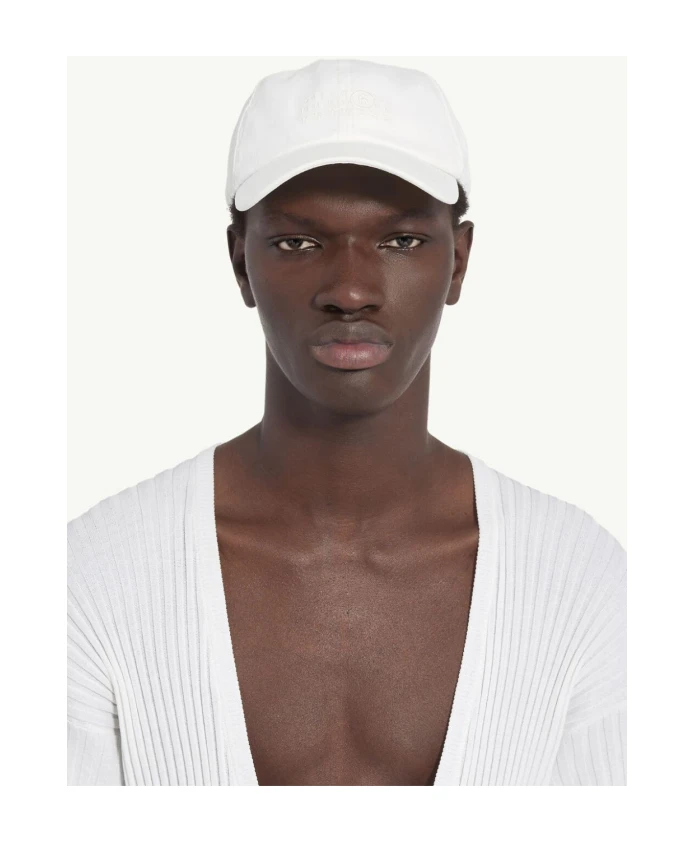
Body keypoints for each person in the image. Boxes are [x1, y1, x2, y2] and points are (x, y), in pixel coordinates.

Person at [67, 59, 626, 786]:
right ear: (240, 263)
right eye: (298, 243)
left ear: (459, 262)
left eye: (401, 241)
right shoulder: (95, 576)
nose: (352, 290)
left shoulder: (580, 581)